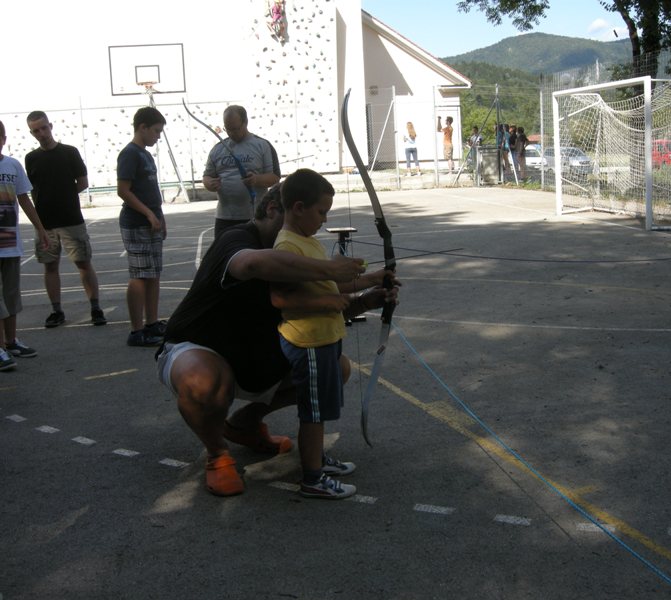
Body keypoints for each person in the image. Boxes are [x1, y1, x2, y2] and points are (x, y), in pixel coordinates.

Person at [157, 183, 395, 497]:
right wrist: (329, 269)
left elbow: (312, 307)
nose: (319, 222)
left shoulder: (294, 251)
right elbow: (252, 264)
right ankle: (217, 454)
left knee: (336, 368)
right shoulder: (238, 238)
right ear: (273, 210)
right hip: (198, 348)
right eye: (311, 214)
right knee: (203, 380)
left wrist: (365, 300)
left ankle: (243, 424)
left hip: (255, 358)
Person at [272, 169, 398, 500]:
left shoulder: (308, 240)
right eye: (321, 212)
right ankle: (312, 477)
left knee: (321, 409)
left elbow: (332, 284)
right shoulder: (287, 245)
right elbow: (281, 298)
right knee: (313, 413)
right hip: (307, 342)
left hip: (323, 339)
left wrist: (373, 280)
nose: (324, 219)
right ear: (298, 208)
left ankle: (316, 459)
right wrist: (326, 302)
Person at [24, 110, 107, 329]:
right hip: (45, 224)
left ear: (50, 126)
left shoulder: (69, 152)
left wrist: (65, 197)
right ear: (32, 133)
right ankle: (56, 311)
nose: (42, 133)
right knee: (50, 266)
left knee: (83, 263)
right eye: (36, 131)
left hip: (71, 220)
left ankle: (95, 308)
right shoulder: (31, 158)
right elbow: (31, 188)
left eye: (44, 128)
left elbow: (82, 182)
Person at [117, 107, 168, 347]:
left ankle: (152, 322)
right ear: (142, 127)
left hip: (151, 222)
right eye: (156, 131)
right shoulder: (129, 154)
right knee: (139, 276)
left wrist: (160, 216)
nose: (158, 136)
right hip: (137, 223)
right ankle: (137, 331)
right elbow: (123, 190)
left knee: (153, 274)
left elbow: (151, 190)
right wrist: (148, 213)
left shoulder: (145, 155)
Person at [0, 120, 49, 371]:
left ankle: (11, 341)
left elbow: (24, 199)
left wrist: (40, 228)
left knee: (11, 296)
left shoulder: (12, 165)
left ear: (4, 139)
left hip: (10, 244)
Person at [203, 105, 280, 237]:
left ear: (245, 122)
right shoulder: (217, 149)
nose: (232, 133)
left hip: (255, 216)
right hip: (224, 217)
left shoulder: (262, 145)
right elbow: (207, 177)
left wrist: (256, 179)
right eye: (228, 129)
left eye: (236, 129)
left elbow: (275, 177)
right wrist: (210, 183)